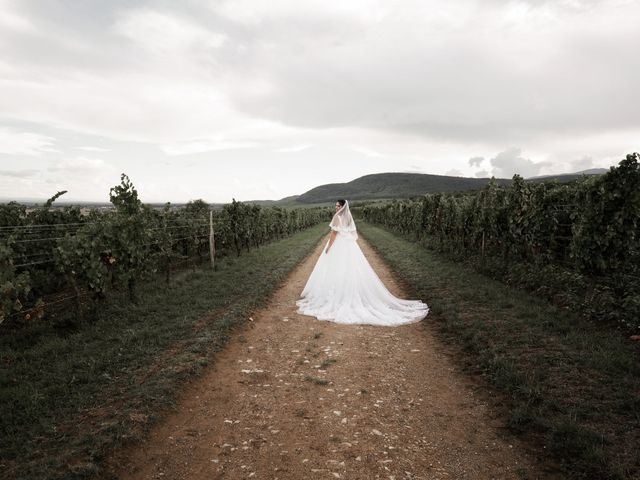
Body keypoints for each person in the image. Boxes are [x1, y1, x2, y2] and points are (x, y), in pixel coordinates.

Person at [295, 199, 429, 326]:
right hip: (348, 245)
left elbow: (334, 234)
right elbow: (352, 233)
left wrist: (329, 247)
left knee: (336, 268)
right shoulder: (347, 217)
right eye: (336, 206)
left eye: (338, 206)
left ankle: (337, 295)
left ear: (342, 207)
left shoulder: (337, 217)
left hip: (339, 245)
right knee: (349, 269)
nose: (336, 208)